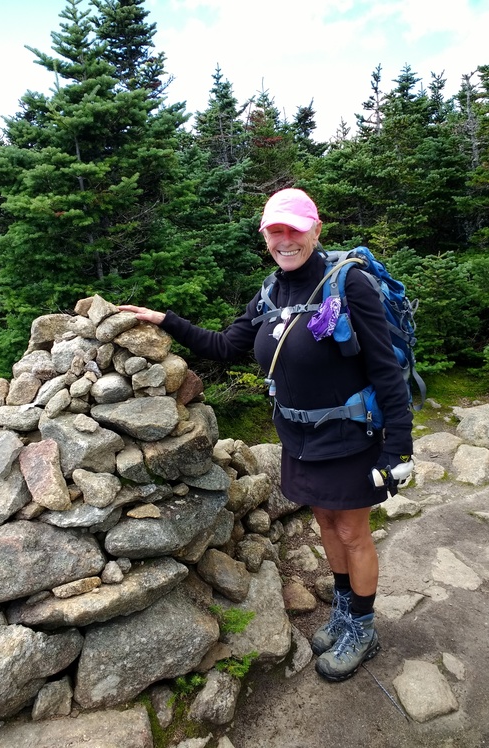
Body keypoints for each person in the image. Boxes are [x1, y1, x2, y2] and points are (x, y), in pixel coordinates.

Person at [119, 187, 413, 681]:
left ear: (315, 229)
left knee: (352, 531)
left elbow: (385, 371)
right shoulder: (271, 292)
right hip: (299, 440)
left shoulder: (349, 283)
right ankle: (343, 611)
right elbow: (227, 346)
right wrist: (165, 321)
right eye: (274, 231)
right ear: (266, 237)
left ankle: (362, 626)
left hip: (352, 437)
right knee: (325, 523)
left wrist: (398, 447)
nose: (284, 240)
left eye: (294, 229)